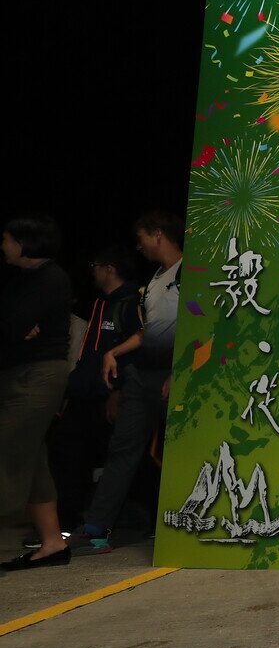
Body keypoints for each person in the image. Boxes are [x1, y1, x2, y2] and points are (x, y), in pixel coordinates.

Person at [70, 211, 184, 555]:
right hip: (140, 376)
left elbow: (202, 326)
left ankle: (185, 525)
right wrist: (114, 352)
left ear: (158, 234)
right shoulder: (155, 278)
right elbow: (149, 330)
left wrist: (180, 373)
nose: (139, 245)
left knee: (179, 451)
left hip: (170, 376)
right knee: (122, 449)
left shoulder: (190, 272)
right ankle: (96, 528)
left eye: (142, 237)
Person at [48, 245, 141, 532]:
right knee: (66, 452)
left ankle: (130, 521)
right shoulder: (101, 302)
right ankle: (66, 524)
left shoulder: (132, 300)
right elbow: (89, 352)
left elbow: (139, 348)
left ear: (109, 268)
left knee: (121, 459)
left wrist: (117, 391)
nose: (93, 273)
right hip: (83, 393)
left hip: (109, 395)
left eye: (95, 267)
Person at [1, 214, 75, 570]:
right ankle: (52, 544)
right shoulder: (20, 280)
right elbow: (13, 326)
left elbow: (14, 326)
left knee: (8, 449)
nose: (3, 246)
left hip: (39, 376)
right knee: (32, 461)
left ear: (25, 242)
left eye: (8, 239)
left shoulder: (51, 278)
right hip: (16, 373)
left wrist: (15, 328)